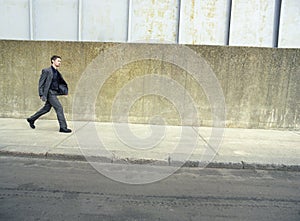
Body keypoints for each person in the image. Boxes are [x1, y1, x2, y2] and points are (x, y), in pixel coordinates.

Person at [27, 55, 72, 133]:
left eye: (60, 61)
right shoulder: (46, 71)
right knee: (59, 108)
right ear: (53, 61)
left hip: (54, 93)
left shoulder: (57, 72)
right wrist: (41, 94)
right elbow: (41, 83)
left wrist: (63, 90)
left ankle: (31, 119)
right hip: (50, 93)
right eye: (58, 61)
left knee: (46, 109)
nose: (60, 62)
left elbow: (59, 83)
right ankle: (63, 127)